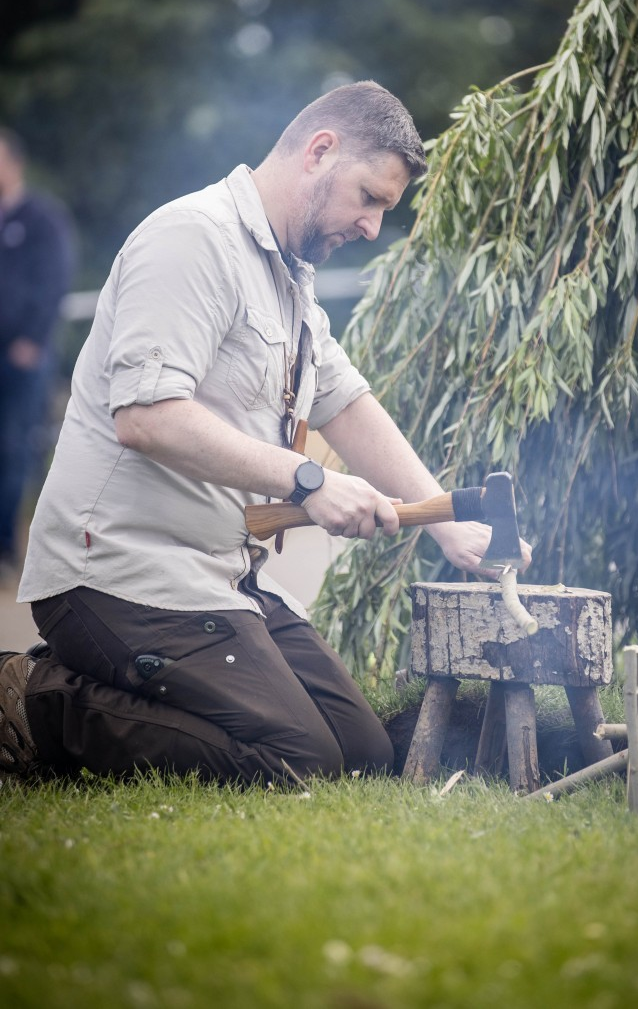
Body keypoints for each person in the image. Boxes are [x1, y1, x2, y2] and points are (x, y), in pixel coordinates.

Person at [0, 81, 530, 784]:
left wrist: (445, 523)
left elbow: (349, 402)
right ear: (319, 151)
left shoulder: (290, 281)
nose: (373, 226)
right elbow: (146, 416)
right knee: (299, 758)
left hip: (220, 576)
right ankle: (34, 702)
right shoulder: (192, 238)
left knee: (362, 752)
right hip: (117, 575)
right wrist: (308, 479)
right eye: (369, 197)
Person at [0, 128, 74, 584]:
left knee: (14, 448)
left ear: (15, 163)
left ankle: (7, 549)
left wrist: (33, 338)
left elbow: (55, 280)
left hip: (25, 358)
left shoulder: (43, 218)